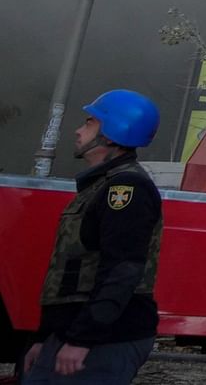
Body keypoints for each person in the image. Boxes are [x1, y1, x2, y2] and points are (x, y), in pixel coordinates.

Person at [22, 90, 164, 385]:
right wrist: (45, 337)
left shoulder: (126, 189)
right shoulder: (101, 185)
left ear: (112, 134)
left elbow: (122, 270)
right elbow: (71, 271)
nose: (78, 130)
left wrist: (82, 340)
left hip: (103, 341)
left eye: (89, 123)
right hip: (75, 334)